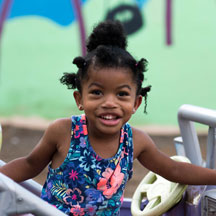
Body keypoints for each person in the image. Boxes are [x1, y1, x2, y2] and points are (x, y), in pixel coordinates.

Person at [0, 20, 216, 216]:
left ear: (135, 103)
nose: (109, 102)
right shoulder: (64, 131)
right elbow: (29, 164)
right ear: (80, 98)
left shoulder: (136, 141)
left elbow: (174, 169)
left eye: (121, 94)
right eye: (97, 92)